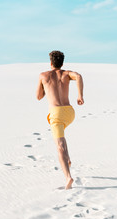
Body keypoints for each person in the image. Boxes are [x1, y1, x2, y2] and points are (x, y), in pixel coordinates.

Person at [36, 50, 84, 189]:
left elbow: (38, 96)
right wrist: (80, 95)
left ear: (50, 62)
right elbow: (79, 76)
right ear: (62, 63)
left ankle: (68, 177)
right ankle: (67, 159)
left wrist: (46, 86)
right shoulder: (66, 74)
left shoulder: (43, 75)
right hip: (69, 113)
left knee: (60, 145)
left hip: (56, 114)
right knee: (62, 138)